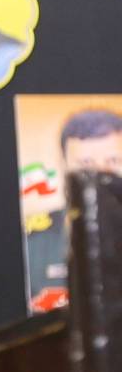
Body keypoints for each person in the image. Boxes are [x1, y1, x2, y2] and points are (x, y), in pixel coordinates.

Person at [26, 109, 122, 311]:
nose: (101, 175)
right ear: (64, 166)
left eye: (113, 161)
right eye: (86, 164)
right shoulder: (33, 241)